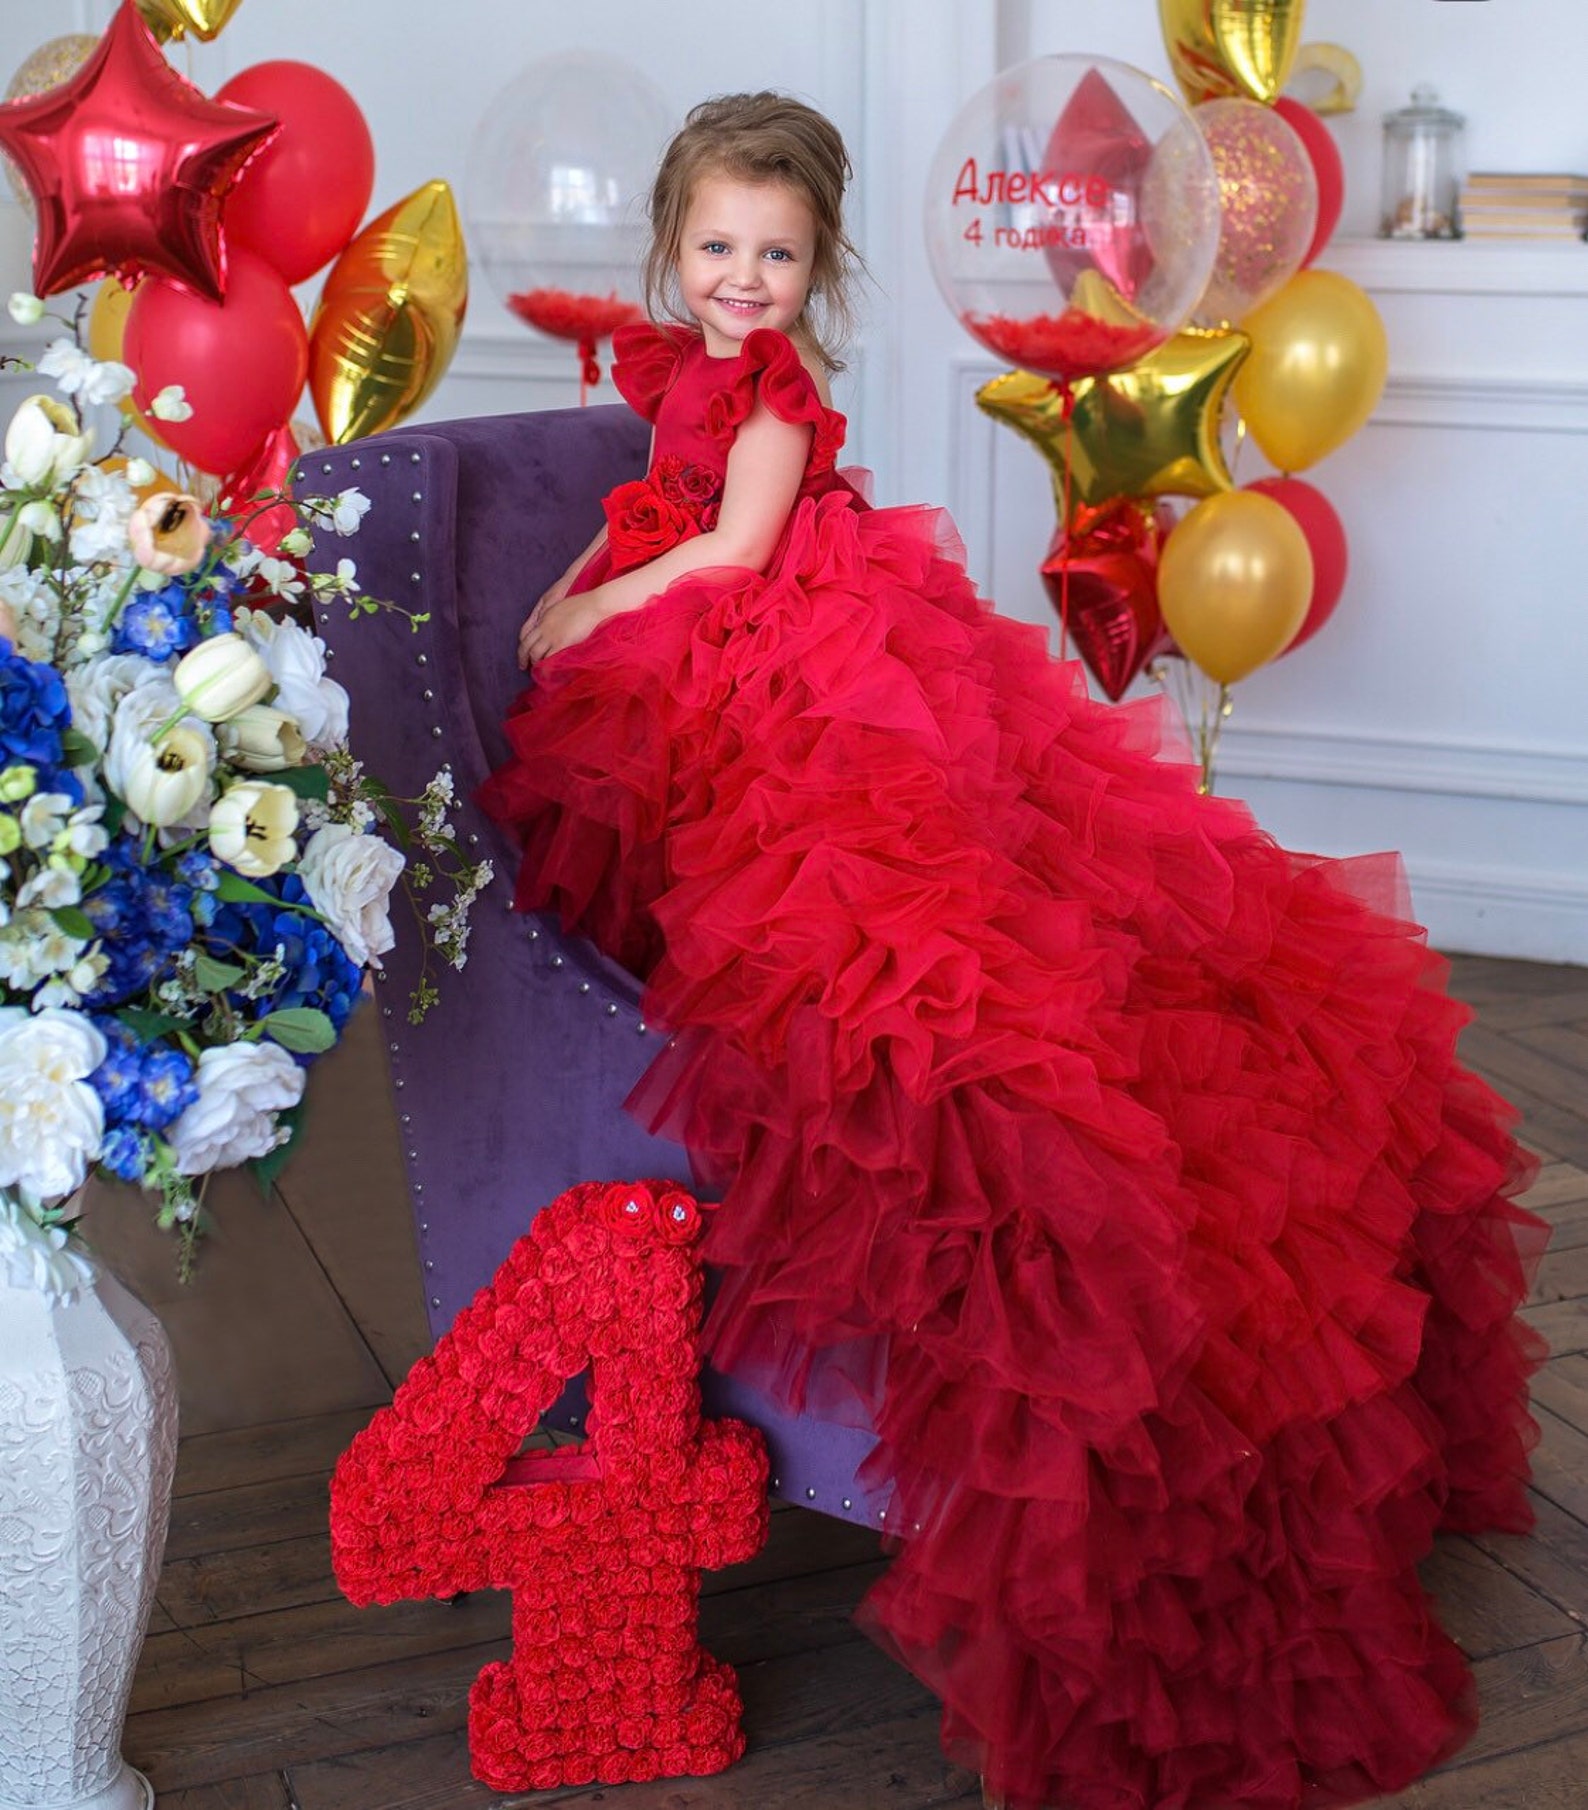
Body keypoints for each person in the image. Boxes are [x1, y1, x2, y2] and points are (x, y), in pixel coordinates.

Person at [481, 91, 1546, 1810]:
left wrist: (591, 602)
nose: (745, 278)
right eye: (717, 250)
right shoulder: (677, 365)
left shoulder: (768, 397)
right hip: (738, 629)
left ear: (818, 269)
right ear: (673, 251)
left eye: (777, 253)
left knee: (881, 895)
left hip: (782, 636)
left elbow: (737, 549)